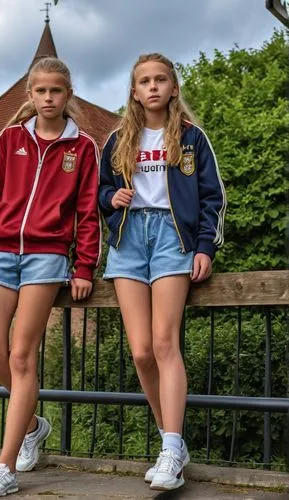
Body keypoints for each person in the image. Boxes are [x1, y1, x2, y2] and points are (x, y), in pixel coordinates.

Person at [0, 56, 101, 497]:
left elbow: (88, 212)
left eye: (57, 91)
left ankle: (4, 467)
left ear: (69, 95)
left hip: (47, 257)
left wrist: (83, 266)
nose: (48, 98)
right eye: (41, 91)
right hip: (2, 252)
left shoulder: (82, 147)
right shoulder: (10, 139)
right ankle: (32, 423)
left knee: (22, 357)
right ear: (30, 94)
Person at [99, 53, 226, 491]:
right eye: (144, 81)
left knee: (162, 342)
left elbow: (212, 197)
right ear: (134, 91)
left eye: (161, 79)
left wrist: (205, 246)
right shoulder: (117, 140)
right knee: (140, 352)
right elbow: (100, 190)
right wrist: (110, 200)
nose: (153, 87)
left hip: (173, 237)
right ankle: (170, 441)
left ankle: (170, 448)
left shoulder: (192, 138)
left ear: (173, 87)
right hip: (129, 240)